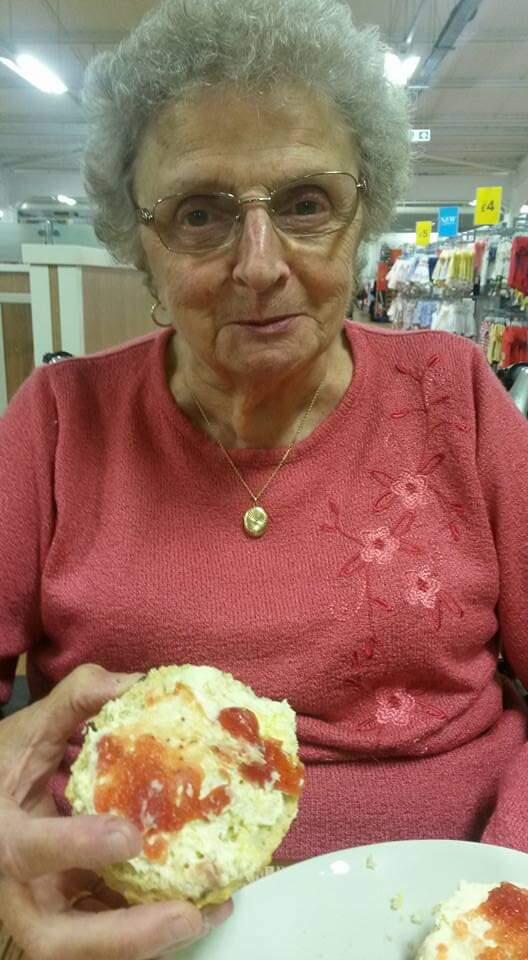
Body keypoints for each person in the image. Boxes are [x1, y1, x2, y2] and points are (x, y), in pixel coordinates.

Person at [1, 0, 528, 957]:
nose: (260, 265)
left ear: (361, 214)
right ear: (139, 239)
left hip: (446, 907)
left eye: (305, 204)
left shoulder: (454, 395)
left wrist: (499, 898)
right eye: (200, 214)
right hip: (124, 923)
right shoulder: (55, 421)